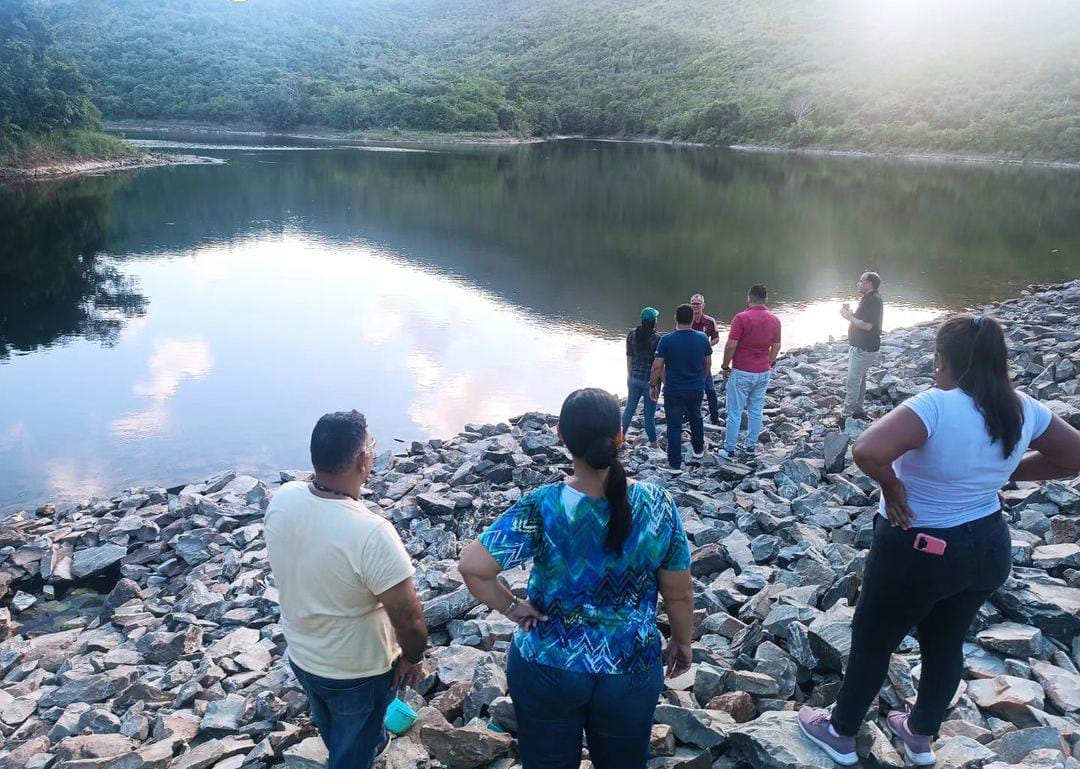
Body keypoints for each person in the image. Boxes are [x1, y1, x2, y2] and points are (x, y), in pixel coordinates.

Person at [797, 315, 1080, 767]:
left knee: (874, 639)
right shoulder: (1023, 407)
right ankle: (920, 735)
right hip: (987, 548)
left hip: (920, 548)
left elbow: (867, 451)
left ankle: (840, 732)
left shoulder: (937, 405)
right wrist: (1005, 471)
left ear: (944, 360)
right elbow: (1073, 457)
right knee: (946, 640)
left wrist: (891, 487)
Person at [458, 389, 694, 769]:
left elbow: (473, 567)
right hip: (630, 666)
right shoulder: (658, 505)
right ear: (620, 437)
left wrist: (514, 608)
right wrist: (682, 640)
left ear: (560, 438)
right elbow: (679, 593)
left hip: (548, 663)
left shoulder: (544, 504)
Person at [265, 411, 429, 769]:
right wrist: (413, 657)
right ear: (363, 460)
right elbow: (410, 619)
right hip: (356, 672)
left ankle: (360, 744)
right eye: (371, 445)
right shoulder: (371, 533)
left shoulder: (284, 498)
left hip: (303, 656)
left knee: (333, 725)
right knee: (353, 751)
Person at [720, 284, 781, 462]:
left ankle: (729, 449)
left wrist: (725, 365)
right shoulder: (775, 319)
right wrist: (768, 361)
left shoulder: (741, 318)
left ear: (749, 298)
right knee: (756, 410)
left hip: (742, 370)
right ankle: (750, 447)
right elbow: (776, 346)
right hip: (763, 371)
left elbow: (731, 345)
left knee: (735, 411)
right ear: (766, 299)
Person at [650, 304, 713, 470]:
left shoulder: (667, 340)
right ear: (692, 319)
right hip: (695, 388)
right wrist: (702, 378)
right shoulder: (702, 338)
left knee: (674, 425)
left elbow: (657, 366)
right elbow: (708, 362)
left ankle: (675, 464)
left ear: (676, 319)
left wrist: (652, 385)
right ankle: (698, 450)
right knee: (696, 417)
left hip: (674, 390)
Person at [840, 272, 884, 422]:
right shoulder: (869, 299)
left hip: (863, 348)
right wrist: (853, 316)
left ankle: (846, 416)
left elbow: (867, 326)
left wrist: (848, 317)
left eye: (861, 281)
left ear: (869, 284)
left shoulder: (873, 300)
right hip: (862, 346)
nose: (858, 283)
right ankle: (858, 410)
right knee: (860, 379)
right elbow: (863, 321)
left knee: (852, 380)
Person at [622, 307, 662, 447]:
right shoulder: (657, 339)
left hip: (633, 378)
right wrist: (660, 383)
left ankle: (620, 438)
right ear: (654, 322)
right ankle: (654, 444)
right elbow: (658, 366)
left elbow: (629, 358)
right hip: (650, 382)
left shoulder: (632, 334)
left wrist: (630, 376)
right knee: (649, 416)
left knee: (629, 409)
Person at [690, 293, 721, 425]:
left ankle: (715, 417)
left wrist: (709, 344)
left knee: (710, 390)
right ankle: (688, 416)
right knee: (690, 390)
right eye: (693, 303)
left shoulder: (710, 321)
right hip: (688, 362)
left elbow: (716, 337)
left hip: (704, 362)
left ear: (703, 305)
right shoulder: (685, 320)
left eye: (698, 303)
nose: (695, 306)